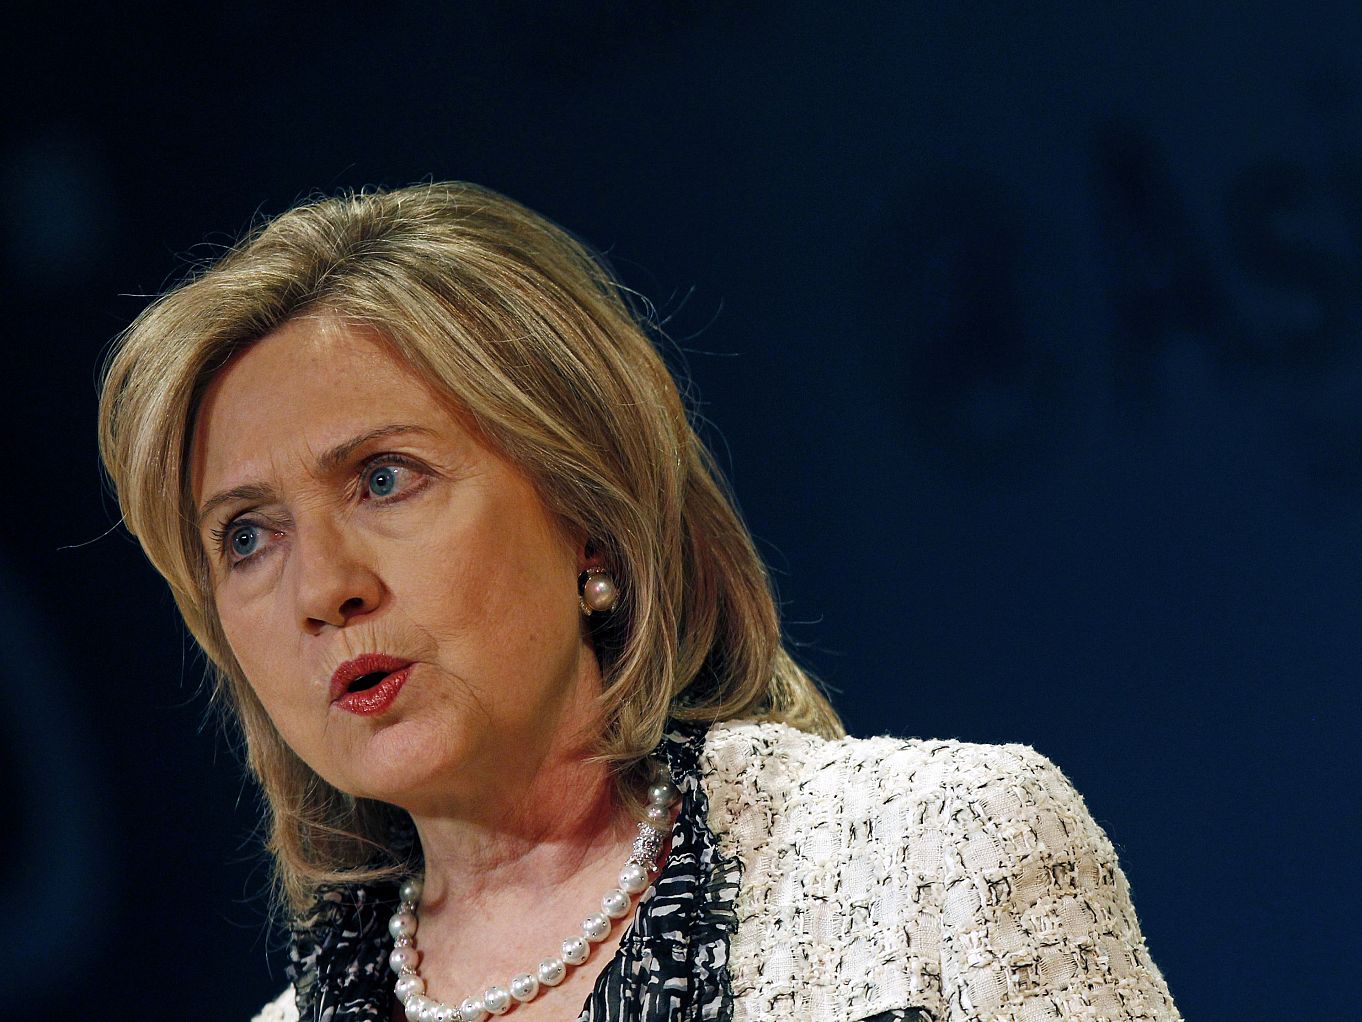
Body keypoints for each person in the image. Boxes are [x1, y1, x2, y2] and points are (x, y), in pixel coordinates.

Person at [97, 182, 1182, 1022]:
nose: (323, 586)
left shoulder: (937, 851)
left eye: (385, 477)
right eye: (247, 536)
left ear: (587, 514)